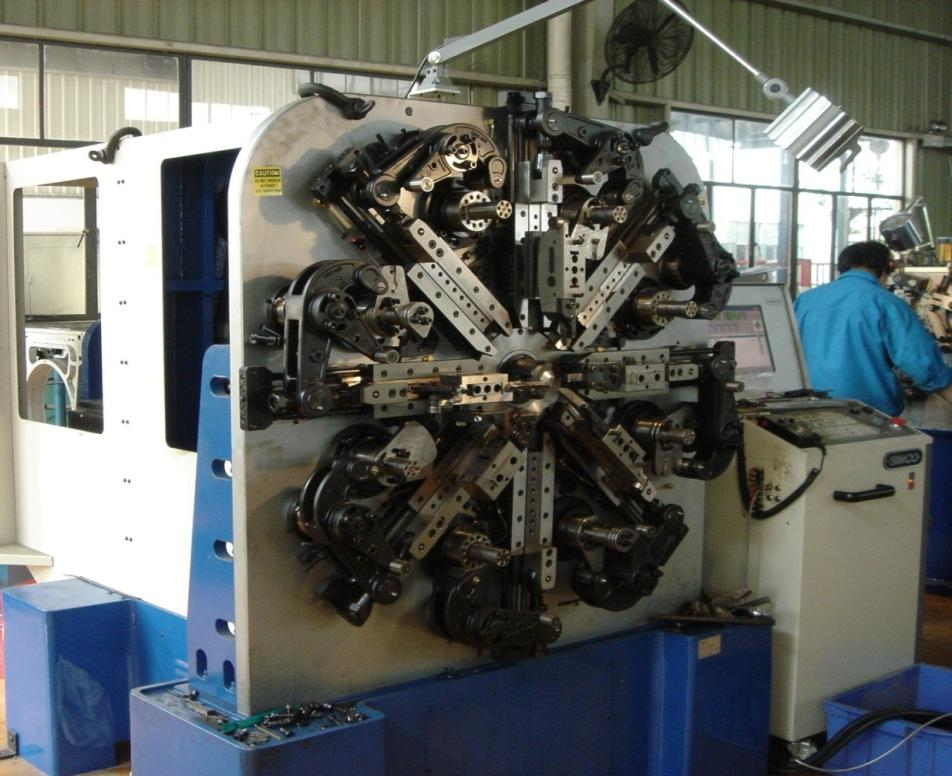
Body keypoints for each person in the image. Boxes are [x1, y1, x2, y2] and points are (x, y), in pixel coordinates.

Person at [794, 240, 952, 416]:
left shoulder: (805, 300)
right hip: (867, 410)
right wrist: (942, 383)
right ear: (884, 268)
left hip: (808, 404)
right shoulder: (887, 303)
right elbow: (919, 361)